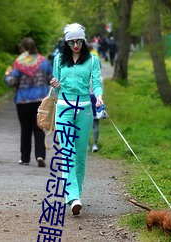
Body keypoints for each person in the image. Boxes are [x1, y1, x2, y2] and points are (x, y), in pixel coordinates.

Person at [50, 23, 103, 215]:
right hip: (63, 108)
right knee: (67, 153)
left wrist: (99, 96)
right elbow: (56, 88)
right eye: (71, 42)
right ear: (66, 42)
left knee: (80, 155)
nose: (75, 45)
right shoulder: (58, 60)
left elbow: (96, 82)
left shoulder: (92, 60)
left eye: (79, 41)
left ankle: (76, 194)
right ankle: (72, 196)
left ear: (84, 40)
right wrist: (55, 84)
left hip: (85, 111)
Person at [4, 37, 53, 167]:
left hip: (23, 101)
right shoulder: (44, 62)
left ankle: (25, 158)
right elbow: (51, 79)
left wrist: (7, 75)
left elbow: (12, 82)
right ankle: (40, 155)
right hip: (40, 101)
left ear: (23, 49)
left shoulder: (19, 63)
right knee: (38, 129)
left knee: (25, 130)